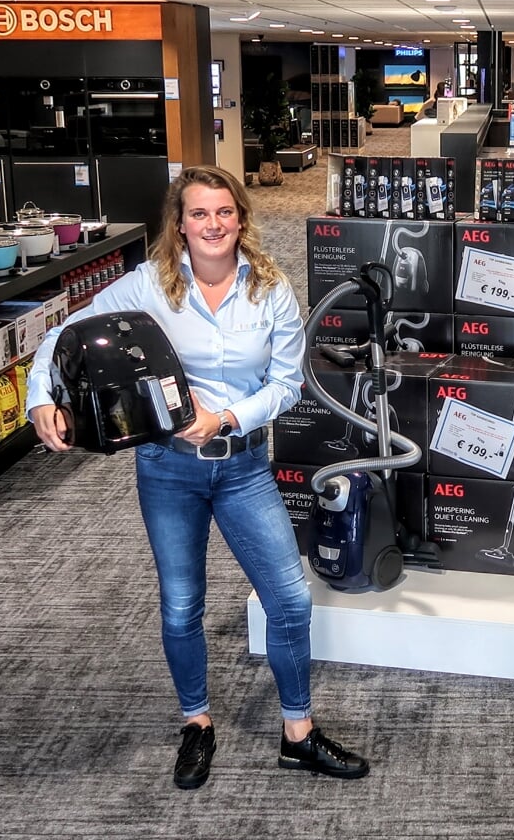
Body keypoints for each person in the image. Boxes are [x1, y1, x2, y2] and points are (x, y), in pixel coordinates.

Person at [26, 165, 369, 791]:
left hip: (242, 467)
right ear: (178, 224)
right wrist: (40, 398)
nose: (213, 225)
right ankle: (198, 723)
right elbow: (59, 337)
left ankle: (299, 733)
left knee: (289, 600)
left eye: (223, 213)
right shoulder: (149, 287)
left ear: (241, 218)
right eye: (198, 214)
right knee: (182, 605)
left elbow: (289, 385)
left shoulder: (272, 290)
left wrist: (227, 417)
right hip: (167, 469)